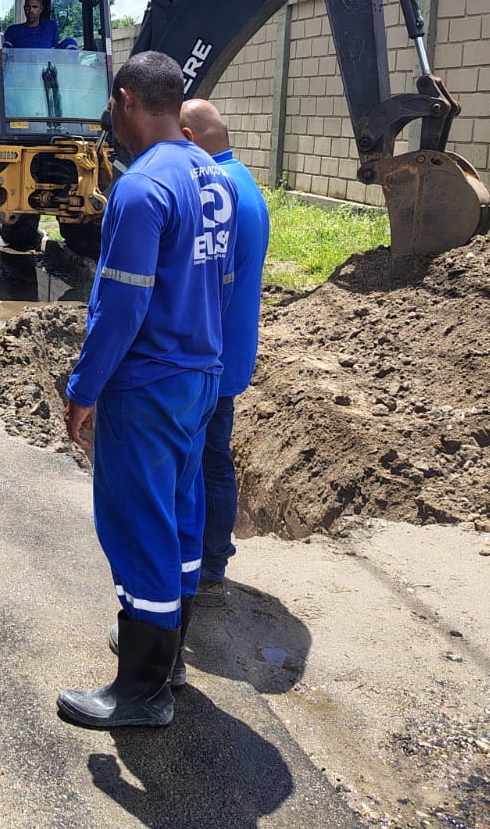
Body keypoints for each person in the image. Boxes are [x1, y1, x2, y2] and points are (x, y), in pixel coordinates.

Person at [56, 51, 236, 730]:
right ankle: (169, 659)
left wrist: (84, 388)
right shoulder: (211, 175)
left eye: (112, 105)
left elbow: (120, 307)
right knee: (181, 522)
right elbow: (218, 284)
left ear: (127, 99)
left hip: (148, 384)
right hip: (199, 377)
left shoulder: (140, 188)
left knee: (139, 528)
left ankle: (140, 692)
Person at [178, 97, 270, 606]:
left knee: (203, 460)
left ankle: (205, 564)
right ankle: (212, 559)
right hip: (230, 352)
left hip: (210, 357)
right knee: (213, 456)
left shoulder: (217, 194)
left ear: (188, 139)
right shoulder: (244, 182)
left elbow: (209, 285)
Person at [3, 0, 77, 50]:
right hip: (22, 64)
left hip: (45, 64)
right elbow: (4, 52)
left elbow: (55, 51)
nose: (31, 10)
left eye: (35, 7)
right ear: (24, 8)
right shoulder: (13, 30)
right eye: (28, 7)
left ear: (41, 9)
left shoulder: (50, 27)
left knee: (70, 42)